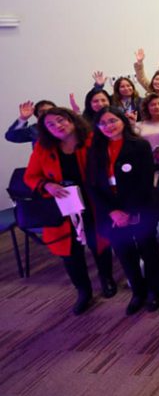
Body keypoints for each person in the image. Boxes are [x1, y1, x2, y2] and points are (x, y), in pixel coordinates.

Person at [24, 108, 116, 315]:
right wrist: (46, 185)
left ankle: (106, 278)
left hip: (94, 203)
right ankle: (83, 291)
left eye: (61, 120)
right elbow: (31, 176)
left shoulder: (93, 139)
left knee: (99, 243)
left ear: (72, 120)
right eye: (51, 125)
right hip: (65, 208)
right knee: (70, 253)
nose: (57, 126)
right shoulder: (42, 147)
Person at [87, 107, 159, 315]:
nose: (108, 126)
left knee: (149, 251)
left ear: (122, 121)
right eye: (102, 123)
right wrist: (113, 211)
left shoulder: (139, 145)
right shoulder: (95, 150)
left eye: (112, 121)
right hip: (111, 213)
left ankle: (154, 290)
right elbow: (92, 185)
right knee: (124, 254)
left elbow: (145, 182)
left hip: (139, 209)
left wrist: (127, 212)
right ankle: (138, 292)